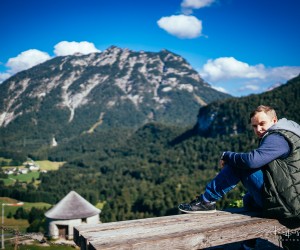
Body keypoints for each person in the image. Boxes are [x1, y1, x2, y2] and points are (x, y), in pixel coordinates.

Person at [178, 105, 300, 249]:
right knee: (248, 199)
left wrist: (227, 155)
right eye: (254, 126)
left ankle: (206, 201)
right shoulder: (290, 133)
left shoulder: (278, 137)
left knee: (238, 165)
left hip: (291, 206)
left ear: (274, 120)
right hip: (293, 199)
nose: (258, 130)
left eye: (262, 124)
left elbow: (251, 161)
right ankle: (249, 243)